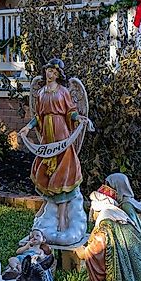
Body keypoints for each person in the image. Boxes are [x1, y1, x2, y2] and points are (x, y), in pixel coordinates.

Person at [22, 58, 91, 242]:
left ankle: (62, 215)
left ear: (58, 74)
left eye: (53, 71)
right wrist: (28, 127)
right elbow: (38, 115)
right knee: (43, 169)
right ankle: (47, 205)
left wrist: (79, 118)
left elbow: (70, 111)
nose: (49, 74)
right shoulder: (41, 92)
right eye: (48, 71)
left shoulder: (63, 92)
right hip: (47, 137)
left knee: (63, 172)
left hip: (61, 133)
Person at [105, 171, 141, 249]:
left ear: (118, 187)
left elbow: (134, 227)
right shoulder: (126, 201)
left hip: (134, 244)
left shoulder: (126, 204)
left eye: (110, 187)